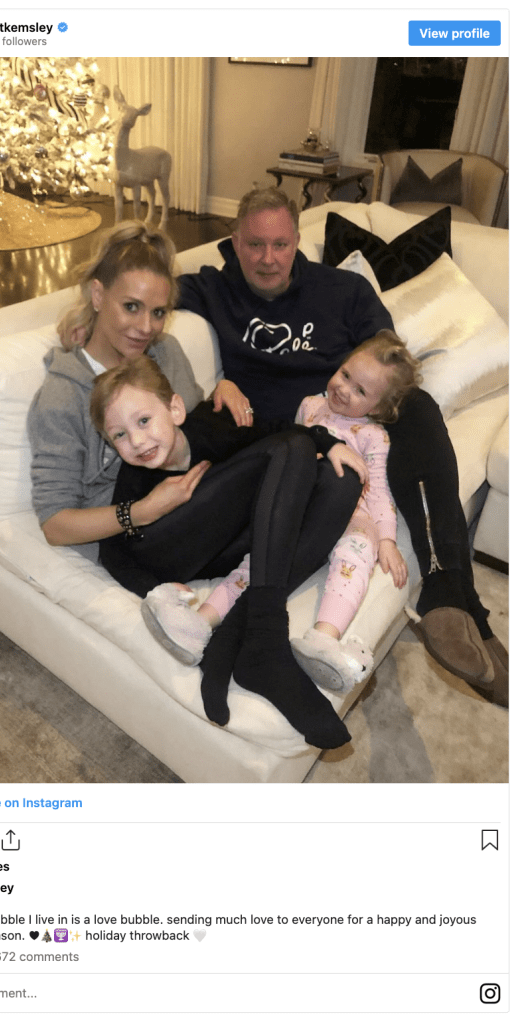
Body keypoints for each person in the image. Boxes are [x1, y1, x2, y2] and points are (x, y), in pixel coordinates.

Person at [176, 186, 508, 708]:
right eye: (255, 244)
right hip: (289, 441)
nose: (268, 258)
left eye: (281, 244)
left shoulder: (344, 290)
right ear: (235, 242)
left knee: (417, 405)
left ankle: (447, 591)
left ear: (296, 242)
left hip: (356, 426)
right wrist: (214, 379)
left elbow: (389, 366)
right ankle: (476, 622)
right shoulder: (212, 289)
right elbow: (142, 291)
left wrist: (358, 406)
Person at [88, 355, 370, 748]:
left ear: (175, 409)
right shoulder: (135, 478)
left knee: (341, 479)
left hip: (226, 547)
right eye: (119, 435)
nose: (136, 441)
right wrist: (153, 586)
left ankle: (239, 631)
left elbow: (275, 430)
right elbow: (112, 551)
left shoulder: (209, 424)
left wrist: (331, 443)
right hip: (169, 550)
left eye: (144, 421)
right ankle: (266, 639)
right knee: (292, 446)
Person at [141, 331, 417, 696]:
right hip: (303, 506)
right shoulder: (309, 406)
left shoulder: (374, 436)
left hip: (354, 515)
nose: (343, 389)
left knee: (354, 558)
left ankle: (324, 638)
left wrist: (387, 540)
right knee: (259, 562)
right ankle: (199, 625)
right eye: (345, 374)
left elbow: (380, 491)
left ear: (378, 409)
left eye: (360, 391)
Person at [27, 220, 205, 567]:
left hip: (204, 504)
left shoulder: (166, 352)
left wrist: (224, 390)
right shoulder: (63, 396)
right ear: (97, 296)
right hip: (144, 542)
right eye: (131, 307)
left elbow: (200, 429)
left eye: (158, 313)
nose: (146, 328)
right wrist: (140, 512)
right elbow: (55, 525)